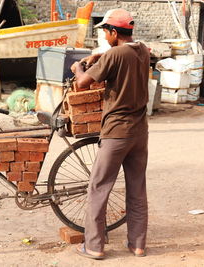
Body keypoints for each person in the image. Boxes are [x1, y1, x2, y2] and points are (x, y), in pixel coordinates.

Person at [70, 9, 150, 260]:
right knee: (137, 187)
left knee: (98, 187)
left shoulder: (115, 53)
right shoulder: (143, 50)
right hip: (139, 132)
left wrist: (77, 68)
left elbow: (84, 83)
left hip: (117, 132)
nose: (104, 36)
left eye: (105, 31)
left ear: (114, 32)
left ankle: (93, 245)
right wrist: (100, 54)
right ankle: (137, 244)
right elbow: (121, 55)